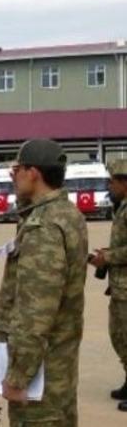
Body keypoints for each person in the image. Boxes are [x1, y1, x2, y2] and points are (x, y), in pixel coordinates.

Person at [0, 139, 87, 427]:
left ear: (33, 173)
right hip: (58, 371)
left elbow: (35, 312)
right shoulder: (66, 214)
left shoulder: (43, 227)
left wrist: (18, 376)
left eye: (16, 169)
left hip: (40, 377)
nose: (12, 176)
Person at [89, 159, 127, 412]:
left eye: (112, 182)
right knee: (120, 336)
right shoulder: (122, 208)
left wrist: (108, 257)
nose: (109, 187)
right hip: (121, 286)